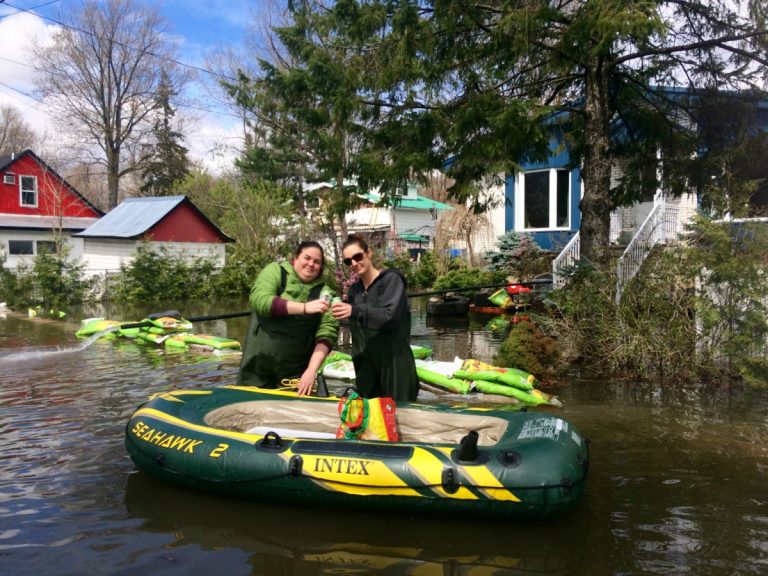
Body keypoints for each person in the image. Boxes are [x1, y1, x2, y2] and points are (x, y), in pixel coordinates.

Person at [237, 241, 339, 395]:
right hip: (256, 366)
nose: (311, 264)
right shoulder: (275, 271)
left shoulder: (326, 293)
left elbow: (328, 333)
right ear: (295, 259)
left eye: (317, 262)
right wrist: (304, 308)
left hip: (294, 373)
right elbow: (260, 300)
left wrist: (311, 371)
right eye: (307, 258)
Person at [331, 235, 419, 402]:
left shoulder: (392, 280)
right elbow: (355, 324)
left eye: (358, 257)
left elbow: (389, 316)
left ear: (369, 253)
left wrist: (354, 311)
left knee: (399, 417)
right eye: (348, 261)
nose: (354, 264)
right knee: (370, 420)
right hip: (366, 367)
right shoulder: (354, 291)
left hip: (394, 364)